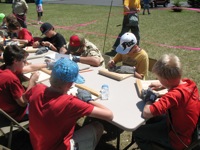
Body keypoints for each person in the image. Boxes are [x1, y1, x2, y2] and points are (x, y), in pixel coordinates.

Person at [24, 57, 113, 150]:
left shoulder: (37, 89)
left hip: (37, 144)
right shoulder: (71, 103)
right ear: (70, 85)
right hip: (58, 147)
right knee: (98, 126)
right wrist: (88, 100)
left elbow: (26, 97)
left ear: (51, 77)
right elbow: (109, 115)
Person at [133, 54, 200, 150]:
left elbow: (147, 113)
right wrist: (162, 84)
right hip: (187, 131)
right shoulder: (189, 83)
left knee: (138, 132)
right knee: (153, 119)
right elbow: (176, 85)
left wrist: (149, 99)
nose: (158, 80)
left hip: (178, 140)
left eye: (159, 78)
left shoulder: (173, 95)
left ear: (166, 80)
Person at [0, 45, 39, 122]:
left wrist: (47, 65)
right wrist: (32, 82)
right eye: (24, 61)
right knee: (45, 105)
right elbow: (23, 103)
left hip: (4, 109)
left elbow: (29, 68)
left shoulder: (4, 68)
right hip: (16, 114)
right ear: (15, 61)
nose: (25, 63)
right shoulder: (11, 79)